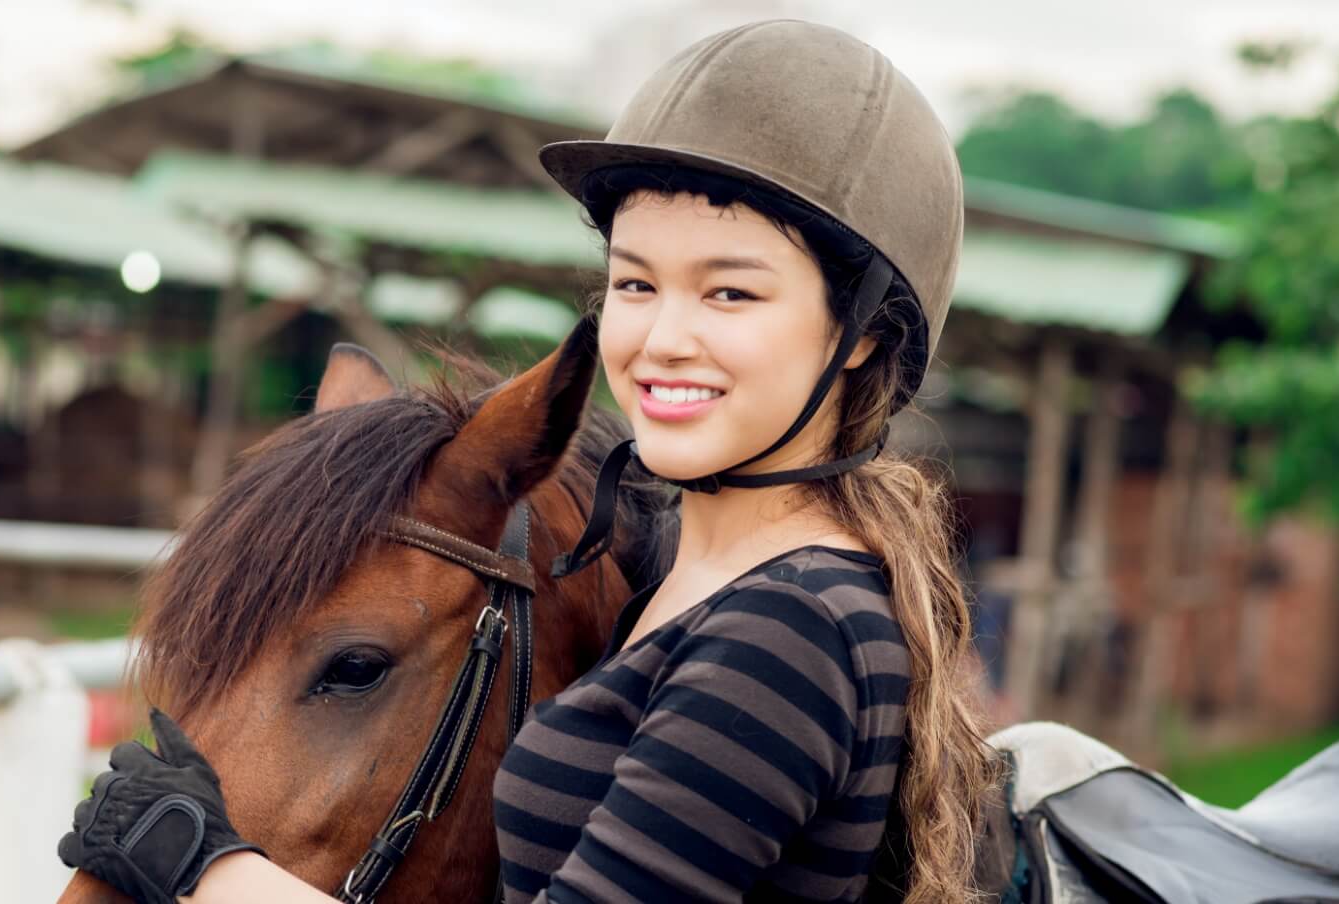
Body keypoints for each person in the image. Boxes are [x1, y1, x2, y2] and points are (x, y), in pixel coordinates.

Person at [58, 20, 999, 903]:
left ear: (864, 332)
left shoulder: (787, 633)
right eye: (636, 282)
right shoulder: (676, 576)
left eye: (729, 292)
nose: (663, 337)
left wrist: (208, 866)